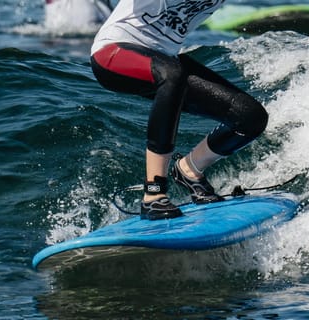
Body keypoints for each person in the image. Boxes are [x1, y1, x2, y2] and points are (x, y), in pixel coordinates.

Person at [90, 0, 269, 220]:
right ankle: (153, 194)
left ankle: (190, 169)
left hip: (164, 60)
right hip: (113, 53)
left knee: (250, 117)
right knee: (171, 74)